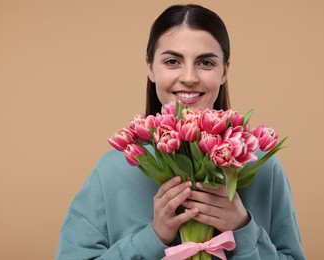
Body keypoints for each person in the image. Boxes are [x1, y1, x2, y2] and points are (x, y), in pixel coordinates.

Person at [55, 4, 306, 259]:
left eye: (206, 62)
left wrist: (242, 229)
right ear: (150, 68)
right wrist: (152, 237)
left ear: (224, 71)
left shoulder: (263, 167)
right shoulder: (112, 170)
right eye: (172, 61)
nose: (189, 77)